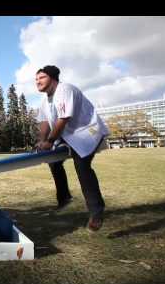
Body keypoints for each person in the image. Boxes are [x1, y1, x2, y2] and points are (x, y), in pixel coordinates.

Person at [35, 65, 109, 231]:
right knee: (53, 160)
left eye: (41, 78)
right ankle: (64, 198)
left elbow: (63, 118)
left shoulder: (64, 90)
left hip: (88, 132)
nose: (38, 82)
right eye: (36, 79)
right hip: (69, 136)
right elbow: (44, 123)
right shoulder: (45, 101)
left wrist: (50, 140)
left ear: (53, 78)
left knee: (82, 166)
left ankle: (96, 212)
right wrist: (42, 142)